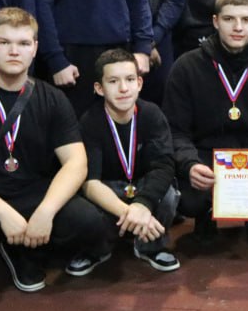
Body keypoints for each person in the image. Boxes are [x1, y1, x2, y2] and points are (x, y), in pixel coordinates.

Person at [0, 8, 109, 302]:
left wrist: (46, 211)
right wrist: (3, 212)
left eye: (24, 43)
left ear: (35, 48)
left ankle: (24, 250)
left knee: (88, 221)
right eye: (4, 42)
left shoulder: (53, 98)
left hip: (30, 192)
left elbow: (76, 163)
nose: (14, 51)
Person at [163, 0, 248, 256]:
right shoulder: (186, 66)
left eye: (246, 20)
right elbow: (175, 131)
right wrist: (190, 163)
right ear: (215, 21)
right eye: (229, 19)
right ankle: (205, 217)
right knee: (188, 193)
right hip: (206, 157)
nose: (238, 27)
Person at [69, 48, 180, 275]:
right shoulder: (90, 122)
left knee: (168, 194)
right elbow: (90, 182)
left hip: (143, 185)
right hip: (108, 188)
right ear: (99, 88)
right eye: (113, 81)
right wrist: (130, 211)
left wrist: (142, 204)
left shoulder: (152, 114)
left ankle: (151, 247)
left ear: (139, 83)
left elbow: (164, 166)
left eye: (129, 79)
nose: (123, 88)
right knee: (85, 206)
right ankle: (98, 249)